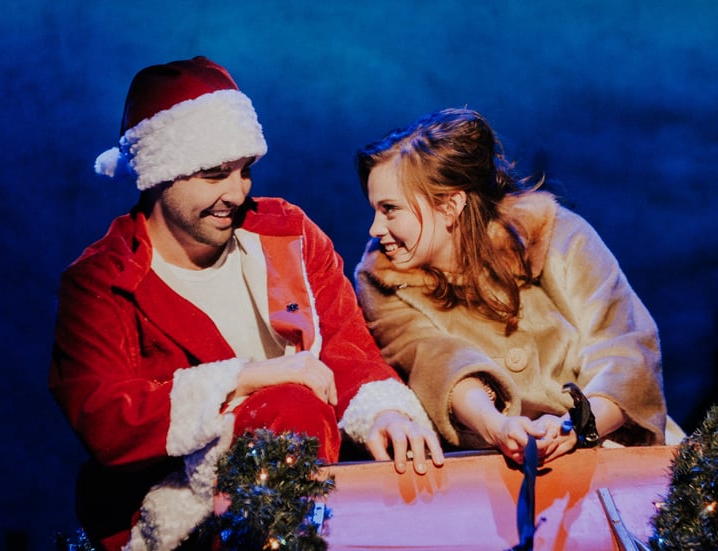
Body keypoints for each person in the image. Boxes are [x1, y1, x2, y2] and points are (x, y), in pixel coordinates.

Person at [49, 56, 444, 551]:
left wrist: (385, 412)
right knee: (292, 403)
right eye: (215, 174)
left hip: (309, 507)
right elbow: (107, 419)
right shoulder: (102, 283)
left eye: (245, 171)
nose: (236, 192)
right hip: (175, 525)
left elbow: (348, 350)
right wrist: (250, 378)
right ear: (159, 173)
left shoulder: (288, 233)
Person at [354, 107, 681, 467]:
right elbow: (433, 360)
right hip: (488, 465)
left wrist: (577, 429)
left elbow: (624, 348)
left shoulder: (555, 233)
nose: (375, 229)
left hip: (605, 447)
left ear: (449, 206)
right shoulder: (383, 280)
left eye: (389, 210)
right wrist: (498, 427)